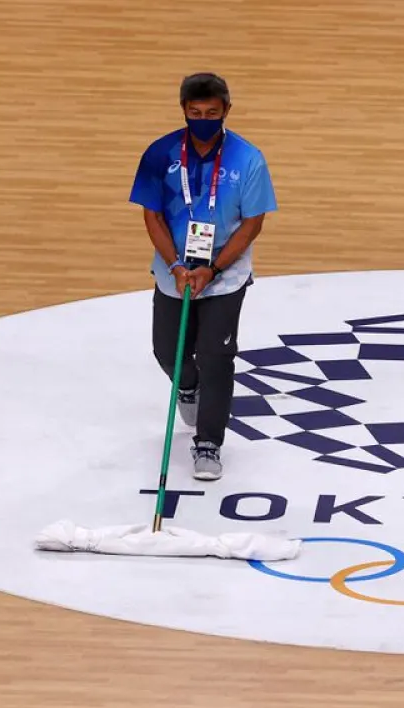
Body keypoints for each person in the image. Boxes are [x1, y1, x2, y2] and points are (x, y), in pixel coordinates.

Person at [128, 72, 277, 481]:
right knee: (167, 352)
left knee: (217, 358)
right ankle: (186, 386)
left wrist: (212, 268)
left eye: (212, 112)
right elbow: (152, 215)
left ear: (227, 110)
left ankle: (208, 443)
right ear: (183, 111)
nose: (204, 119)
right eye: (195, 113)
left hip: (224, 277)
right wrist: (177, 266)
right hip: (172, 273)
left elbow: (252, 223)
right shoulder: (160, 154)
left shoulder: (247, 159)